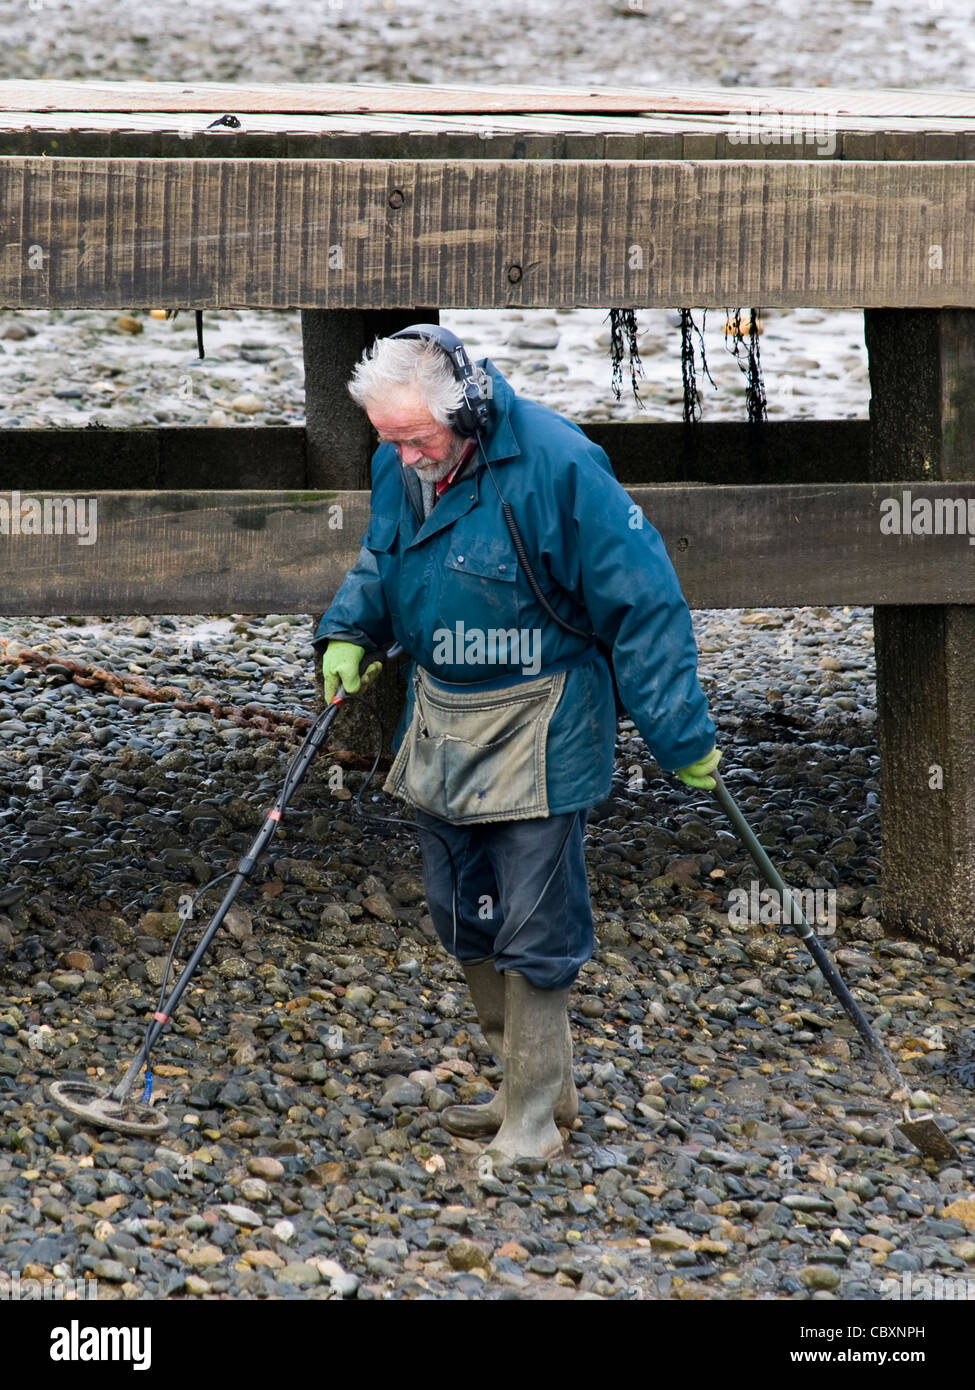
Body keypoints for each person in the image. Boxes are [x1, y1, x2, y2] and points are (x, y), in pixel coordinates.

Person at [313, 325, 719, 1163]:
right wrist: (348, 631)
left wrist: (679, 731)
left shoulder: (560, 466)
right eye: (388, 441)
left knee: (533, 923)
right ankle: (530, 1084)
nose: (403, 457)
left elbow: (643, 602)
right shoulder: (403, 459)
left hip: (543, 716)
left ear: (462, 409)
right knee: (458, 911)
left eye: (415, 439)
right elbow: (378, 561)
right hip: (439, 713)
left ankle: (532, 1121)